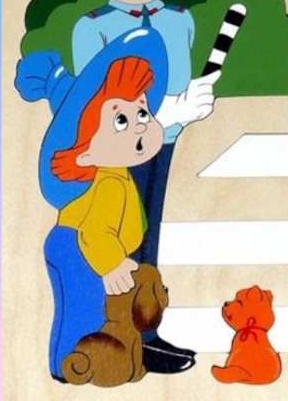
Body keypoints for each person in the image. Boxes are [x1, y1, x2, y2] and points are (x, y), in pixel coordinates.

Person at [51, 0, 220, 372]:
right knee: (117, 237)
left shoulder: (180, 20)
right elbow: (98, 104)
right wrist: (170, 109)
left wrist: (188, 107)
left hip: (162, 143)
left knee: (149, 236)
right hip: (116, 151)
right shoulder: (93, 29)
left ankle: (144, 329)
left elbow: (177, 81)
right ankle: (119, 333)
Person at [15, 29, 189, 381]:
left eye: (142, 112)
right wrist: (111, 265)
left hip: (88, 245)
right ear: (85, 151)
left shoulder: (116, 173)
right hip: (78, 246)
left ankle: (88, 361)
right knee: (83, 309)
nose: (140, 127)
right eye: (121, 121)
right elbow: (96, 230)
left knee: (91, 308)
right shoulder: (108, 182)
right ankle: (67, 366)